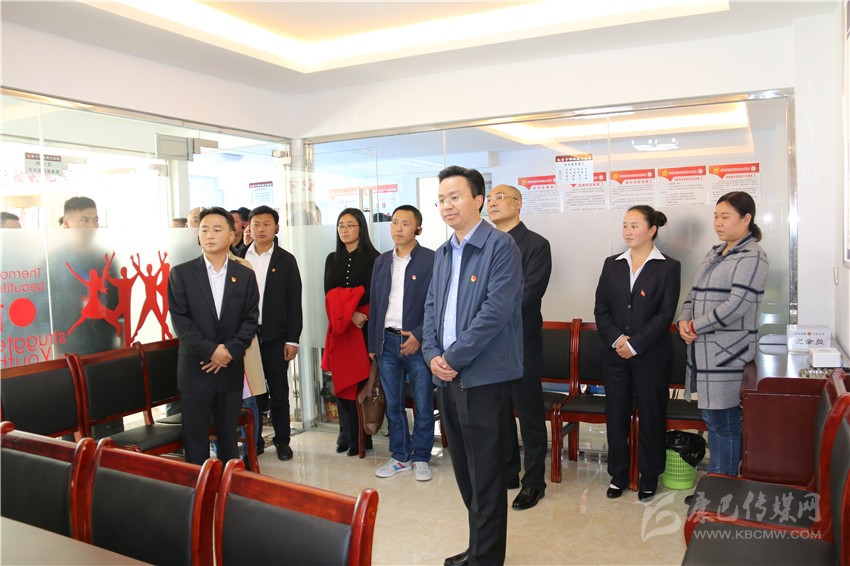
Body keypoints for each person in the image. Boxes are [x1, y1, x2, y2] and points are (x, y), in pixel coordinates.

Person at [422, 166, 524, 566]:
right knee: (464, 470)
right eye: (441, 199)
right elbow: (431, 307)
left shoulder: (501, 246)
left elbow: (496, 311)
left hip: (483, 376)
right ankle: (478, 549)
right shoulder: (444, 251)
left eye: (455, 197)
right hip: (447, 376)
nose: (447, 205)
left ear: (478, 200)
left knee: (486, 473)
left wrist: (453, 357)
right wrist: (432, 354)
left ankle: (486, 558)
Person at [678, 191, 768, 497]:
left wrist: (695, 326)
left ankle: (722, 492)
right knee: (711, 418)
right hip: (704, 351)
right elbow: (692, 294)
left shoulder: (753, 256)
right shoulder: (716, 252)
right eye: (716, 216)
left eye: (725, 217)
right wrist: (683, 322)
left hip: (728, 353)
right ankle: (715, 484)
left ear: (746, 219)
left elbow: (737, 305)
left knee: (724, 422)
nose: (718, 223)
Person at [594, 205, 681, 501]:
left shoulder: (668, 266)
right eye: (625, 225)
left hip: (651, 356)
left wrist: (635, 344)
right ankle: (618, 474)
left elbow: (665, 314)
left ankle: (649, 474)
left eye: (635, 226)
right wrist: (619, 339)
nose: (628, 231)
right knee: (616, 415)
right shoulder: (612, 264)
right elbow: (601, 309)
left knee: (651, 416)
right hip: (614, 355)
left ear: (652, 230)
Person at [168, 207, 259, 465]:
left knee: (228, 437)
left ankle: (228, 485)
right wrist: (211, 351)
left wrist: (228, 351)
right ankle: (199, 488)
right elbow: (181, 321)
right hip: (195, 369)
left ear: (232, 235)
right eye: (204, 229)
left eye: (217, 229)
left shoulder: (244, 275)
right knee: (195, 438)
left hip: (229, 368)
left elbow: (250, 320)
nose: (209, 235)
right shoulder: (181, 274)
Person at [487, 184, 551, 511]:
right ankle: (509, 472)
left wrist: (487, 316)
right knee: (499, 413)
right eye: (489, 199)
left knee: (529, 415)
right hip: (489, 345)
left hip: (521, 342)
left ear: (518, 203)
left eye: (500, 197)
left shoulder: (536, 245)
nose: (492, 203)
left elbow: (529, 293)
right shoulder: (485, 244)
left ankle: (534, 481)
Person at [368, 205, 435, 481]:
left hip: (417, 343)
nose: (398, 228)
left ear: (418, 228)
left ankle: (421, 456)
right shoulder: (382, 261)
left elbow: (437, 305)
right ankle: (399, 456)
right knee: (393, 404)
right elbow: (375, 304)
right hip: (387, 342)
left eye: (405, 223)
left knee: (423, 402)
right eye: (394, 222)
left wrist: (419, 335)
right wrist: (373, 344)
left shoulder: (431, 260)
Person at [238, 205, 303, 461]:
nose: (261, 229)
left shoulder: (286, 260)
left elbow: (294, 302)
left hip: (276, 337)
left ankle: (282, 440)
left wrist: (293, 339)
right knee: (252, 394)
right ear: (249, 228)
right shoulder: (238, 257)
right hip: (246, 339)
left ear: (276, 227)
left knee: (278, 393)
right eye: (256, 224)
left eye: (266, 224)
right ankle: (253, 441)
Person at [322, 208, 379, 456]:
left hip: (362, 327)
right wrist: (348, 312)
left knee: (360, 383)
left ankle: (361, 438)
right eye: (340, 225)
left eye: (350, 225)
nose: (344, 230)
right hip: (341, 327)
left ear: (361, 228)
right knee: (341, 381)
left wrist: (358, 313)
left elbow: (373, 293)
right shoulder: (331, 258)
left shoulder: (374, 258)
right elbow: (329, 293)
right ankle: (344, 434)